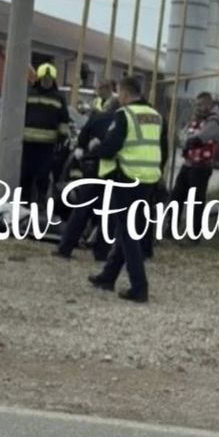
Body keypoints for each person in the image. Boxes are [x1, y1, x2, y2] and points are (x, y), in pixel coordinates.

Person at [88, 76, 169, 302]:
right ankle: (108, 276)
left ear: (124, 94)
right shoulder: (156, 116)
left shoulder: (125, 115)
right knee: (129, 229)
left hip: (127, 177)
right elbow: (163, 149)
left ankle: (139, 286)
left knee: (126, 232)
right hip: (149, 179)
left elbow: (111, 147)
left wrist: (95, 149)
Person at [52, 97, 121, 260]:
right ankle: (102, 252)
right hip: (114, 170)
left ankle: (66, 247)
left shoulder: (97, 118)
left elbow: (82, 141)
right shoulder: (122, 121)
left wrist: (88, 151)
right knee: (108, 213)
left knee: (82, 209)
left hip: (93, 168)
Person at [171, 91, 219, 240]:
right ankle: (171, 228)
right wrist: (187, 139)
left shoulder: (214, 121)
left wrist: (189, 140)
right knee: (176, 196)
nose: (198, 107)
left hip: (201, 166)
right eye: (196, 105)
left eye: (200, 104)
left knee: (196, 201)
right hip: (188, 163)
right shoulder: (197, 119)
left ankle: (194, 234)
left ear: (208, 103)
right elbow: (184, 135)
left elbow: (200, 138)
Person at [21, 63, 70, 208]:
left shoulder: (59, 98)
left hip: (47, 145)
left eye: (49, 79)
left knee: (43, 174)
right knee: (26, 174)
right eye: (44, 79)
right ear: (39, 78)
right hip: (28, 142)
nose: (46, 82)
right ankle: (24, 201)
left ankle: (41, 201)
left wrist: (61, 139)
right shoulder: (29, 93)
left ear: (53, 80)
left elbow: (63, 120)